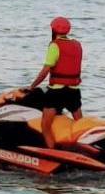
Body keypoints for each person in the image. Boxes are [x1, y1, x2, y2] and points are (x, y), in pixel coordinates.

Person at [25, 16, 84, 149]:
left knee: (45, 126)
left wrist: (32, 86)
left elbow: (45, 71)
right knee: (80, 125)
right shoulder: (77, 45)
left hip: (56, 92)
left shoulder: (54, 45)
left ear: (53, 29)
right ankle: (84, 149)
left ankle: (52, 153)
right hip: (73, 91)